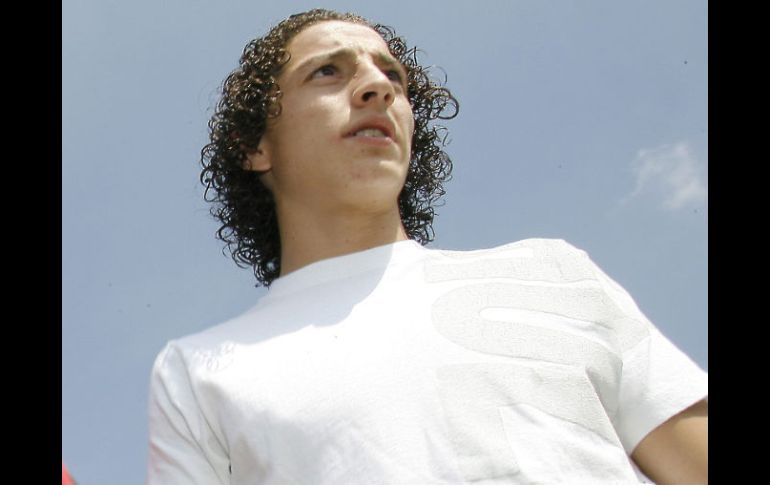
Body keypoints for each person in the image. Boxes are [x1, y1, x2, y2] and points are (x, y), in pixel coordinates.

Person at [146, 8, 707, 485]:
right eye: (327, 71)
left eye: (391, 74)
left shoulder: (555, 271)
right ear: (254, 146)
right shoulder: (195, 372)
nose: (378, 87)